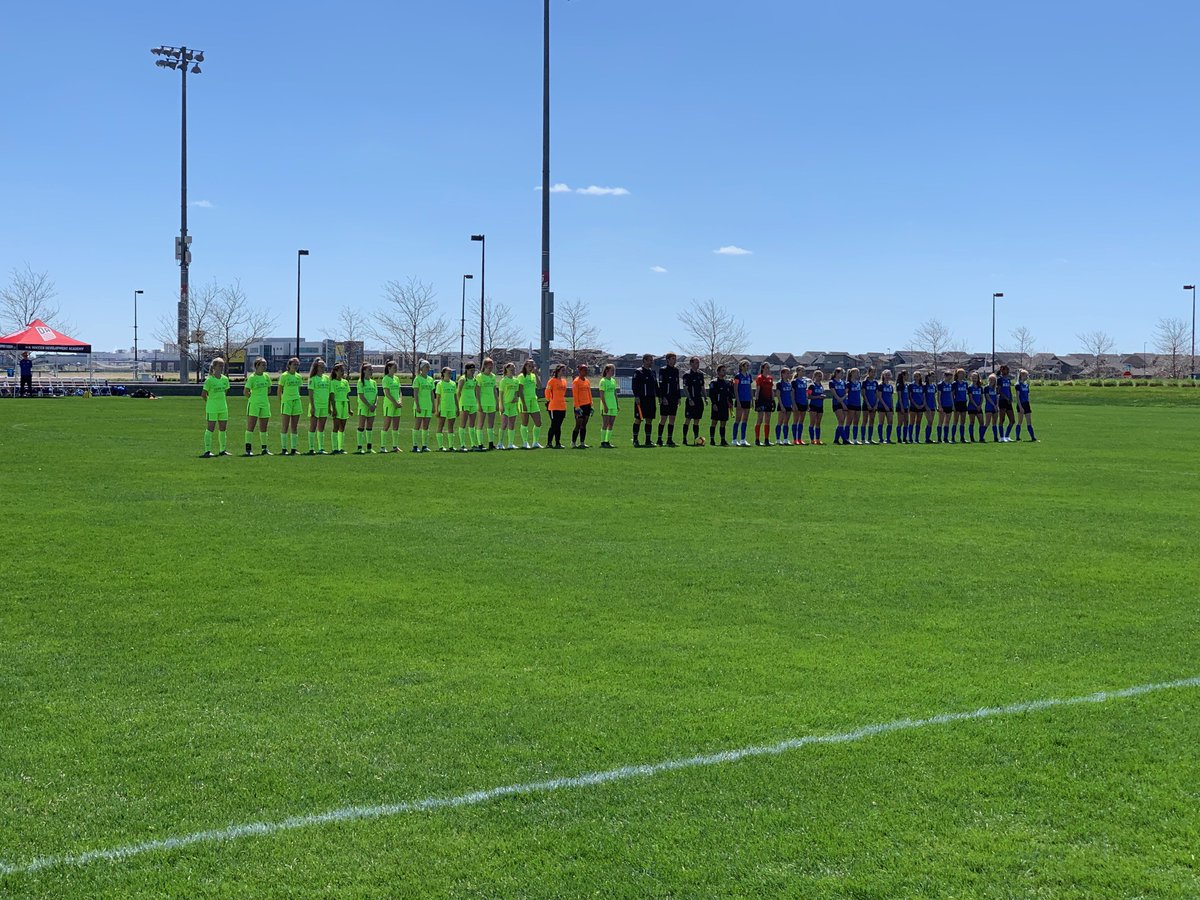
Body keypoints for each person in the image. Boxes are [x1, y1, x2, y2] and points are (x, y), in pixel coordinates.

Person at [200, 357, 230, 457]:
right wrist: (210, 403)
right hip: (212, 407)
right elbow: (204, 394)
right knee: (210, 428)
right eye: (219, 365)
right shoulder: (209, 380)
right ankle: (207, 450)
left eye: (222, 365)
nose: (221, 367)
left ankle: (222, 450)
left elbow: (225, 392)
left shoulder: (225, 379)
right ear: (214, 366)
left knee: (223, 429)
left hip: (223, 407)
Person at [243, 357, 273, 456]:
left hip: (264, 404)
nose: (265, 366)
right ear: (257, 366)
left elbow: (269, 390)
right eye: (263, 364)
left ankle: (264, 448)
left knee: (264, 427)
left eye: (265, 364)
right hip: (254, 404)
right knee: (251, 426)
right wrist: (253, 399)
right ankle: (248, 449)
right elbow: (246, 392)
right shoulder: (252, 377)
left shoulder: (266, 376)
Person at [278, 357, 303, 455]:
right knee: (285, 426)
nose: (296, 366)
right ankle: (284, 449)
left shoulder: (298, 377)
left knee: (294, 426)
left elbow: (299, 389)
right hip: (287, 402)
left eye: (297, 364)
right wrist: (281, 401)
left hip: (296, 401)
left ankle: (294, 448)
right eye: (294, 364)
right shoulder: (284, 376)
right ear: (289, 365)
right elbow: (279, 390)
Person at [631, 353, 657, 447]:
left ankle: (648, 440)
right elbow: (634, 386)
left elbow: (656, 386)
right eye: (650, 360)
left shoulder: (652, 372)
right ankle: (635, 440)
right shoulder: (638, 372)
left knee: (649, 420)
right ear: (645, 360)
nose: (651, 362)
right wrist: (636, 396)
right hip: (641, 400)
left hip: (651, 399)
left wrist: (660, 397)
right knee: (638, 419)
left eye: (652, 360)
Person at [306, 357, 331, 454]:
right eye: (320, 366)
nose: (322, 368)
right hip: (316, 405)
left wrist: (329, 407)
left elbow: (329, 394)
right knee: (313, 426)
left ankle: (321, 448)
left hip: (324, 406)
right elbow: (311, 394)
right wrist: (312, 406)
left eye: (323, 366)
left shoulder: (327, 378)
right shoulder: (312, 379)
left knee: (322, 427)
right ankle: (311, 448)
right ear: (316, 367)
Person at [517, 359, 543, 449]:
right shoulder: (521, 376)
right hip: (525, 401)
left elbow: (539, 386)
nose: (531, 368)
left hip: (533, 400)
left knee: (538, 422)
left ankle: (535, 442)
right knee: (525, 422)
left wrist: (536, 374)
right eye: (529, 366)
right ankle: (525, 442)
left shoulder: (533, 376)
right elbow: (520, 391)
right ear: (525, 366)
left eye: (533, 366)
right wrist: (523, 403)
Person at [657, 352, 681, 446]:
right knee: (663, 418)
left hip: (674, 398)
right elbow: (661, 385)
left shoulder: (676, 370)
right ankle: (659, 439)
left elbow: (677, 384)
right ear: (668, 360)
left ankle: (669, 439)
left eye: (675, 359)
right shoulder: (663, 370)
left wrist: (678, 397)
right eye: (672, 359)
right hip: (665, 398)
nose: (674, 360)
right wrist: (663, 397)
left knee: (672, 418)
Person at [456, 361, 481, 452]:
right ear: (466, 370)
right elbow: (458, 392)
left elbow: (477, 392)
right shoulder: (462, 379)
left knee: (472, 424)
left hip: (473, 403)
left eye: (474, 370)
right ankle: (462, 444)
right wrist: (459, 404)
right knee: (463, 424)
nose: (472, 372)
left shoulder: (475, 380)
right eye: (471, 370)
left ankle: (474, 444)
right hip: (464, 403)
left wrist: (478, 403)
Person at [380, 360, 404, 453]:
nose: (396, 369)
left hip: (397, 405)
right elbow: (387, 393)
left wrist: (400, 401)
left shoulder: (396, 379)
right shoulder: (385, 379)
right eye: (394, 367)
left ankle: (395, 446)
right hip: (389, 405)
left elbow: (399, 391)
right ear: (389, 368)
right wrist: (394, 402)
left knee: (396, 426)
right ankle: (382, 447)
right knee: (386, 425)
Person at [681, 356, 706, 445]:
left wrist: (705, 397)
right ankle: (684, 438)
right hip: (691, 400)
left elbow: (702, 387)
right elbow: (685, 388)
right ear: (691, 363)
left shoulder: (700, 374)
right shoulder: (687, 375)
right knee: (688, 419)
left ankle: (696, 439)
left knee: (697, 420)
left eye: (698, 363)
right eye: (695, 362)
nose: (697, 364)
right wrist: (690, 399)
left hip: (699, 400)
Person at [412, 359, 435, 453]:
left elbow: (432, 394)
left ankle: (424, 445)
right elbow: (416, 394)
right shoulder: (417, 379)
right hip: (420, 406)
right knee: (417, 426)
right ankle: (415, 446)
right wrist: (417, 405)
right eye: (426, 367)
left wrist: (433, 405)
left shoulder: (430, 379)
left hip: (428, 406)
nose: (428, 368)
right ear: (421, 368)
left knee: (426, 426)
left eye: (429, 367)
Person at [355, 363, 379, 453]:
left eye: (372, 369)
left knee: (370, 427)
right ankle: (359, 447)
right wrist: (369, 405)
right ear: (364, 370)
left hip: (372, 407)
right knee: (361, 427)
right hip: (364, 407)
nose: (371, 371)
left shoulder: (374, 382)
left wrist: (375, 404)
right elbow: (361, 396)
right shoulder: (361, 382)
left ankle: (369, 447)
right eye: (370, 369)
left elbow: (377, 395)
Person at [707, 364, 733, 446]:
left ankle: (722, 440)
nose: (724, 372)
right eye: (723, 370)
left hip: (724, 405)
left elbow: (729, 394)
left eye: (725, 370)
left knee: (723, 423)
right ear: (718, 372)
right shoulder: (714, 382)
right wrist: (714, 403)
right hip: (717, 405)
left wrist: (730, 403)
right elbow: (711, 394)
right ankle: (712, 440)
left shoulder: (727, 383)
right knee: (714, 422)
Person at [329, 363, 352, 454]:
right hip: (337, 404)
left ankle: (341, 447)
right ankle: (335, 448)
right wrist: (333, 409)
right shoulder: (333, 382)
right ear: (335, 371)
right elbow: (332, 397)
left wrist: (349, 409)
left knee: (342, 427)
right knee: (336, 427)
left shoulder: (345, 382)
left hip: (344, 404)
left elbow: (347, 396)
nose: (342, 372)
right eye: (341, 370)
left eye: (343, 370)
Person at [545, 363, 568, 449]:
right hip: (554, 407)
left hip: (562, 406)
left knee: (559, 425)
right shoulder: (552, 381)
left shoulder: (564, 381)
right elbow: (547, 392)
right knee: (554, 425)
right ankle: (549, 442)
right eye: (562, 370)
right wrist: (549, 400)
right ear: (558, 371)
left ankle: (558, 442)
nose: (563, 372)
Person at [435, 366, 458, 450]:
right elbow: (437, 398)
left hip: (451, 408)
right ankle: (441, 446)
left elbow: (455, 397)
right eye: (448, 372)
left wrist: (457, 408)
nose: (449, 374)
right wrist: (437, 410)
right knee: (440, 426)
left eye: (450, 373)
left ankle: (451, 446)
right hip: (443, 408)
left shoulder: (453, 384)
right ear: (443, 373)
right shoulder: (440, 384)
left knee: (451, 426)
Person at [571, 364, 593, 448]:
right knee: (578, 424)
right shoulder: (576, 381)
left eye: (587, 370)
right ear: (580, 371)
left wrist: (591, 405)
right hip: (579, 406)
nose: (586, 372)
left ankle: (582, 442)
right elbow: (575, 395)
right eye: (584, 370)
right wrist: (577, 407)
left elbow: (589, 393)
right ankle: (573, 442)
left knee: (584, 424)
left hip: (587, 405)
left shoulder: (587, 381)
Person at [732, 359, 754, 446]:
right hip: (740, 400)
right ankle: (734, 439)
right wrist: (738, 401)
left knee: (745, 420)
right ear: (742, 366)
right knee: (737, 420)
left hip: (747, 400)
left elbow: (750, 388)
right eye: (747, 365)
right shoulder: (738, 376)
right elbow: (735, 389)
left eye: (749, 366)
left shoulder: (749, 376)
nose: (748, 367)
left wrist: (752, 400)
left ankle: (743, 439)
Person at [478, 357, 499, 450]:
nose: (491, 367)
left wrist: (497, 402)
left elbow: (495, 390)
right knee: (481, 423)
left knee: (491, 424)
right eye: (490, 365)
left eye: (492, 365)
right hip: (483, 402)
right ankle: (480, 443)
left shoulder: (493, 376)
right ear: (485, 365)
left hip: (491, 402)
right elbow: (477, 392)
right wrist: (478, 404)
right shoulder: (479, 376)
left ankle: (491, 443)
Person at [499, 362, 520, 450]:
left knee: (512, 424)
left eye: (514, 368)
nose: (513, 369)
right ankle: (500, 443)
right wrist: (501, 405)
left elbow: (516, 392)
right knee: (504, 424)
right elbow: (500, 394)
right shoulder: (503, 380)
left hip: (513, 405)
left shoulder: (516, 380)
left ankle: (510, 443)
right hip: (505, 405)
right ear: (506, 369)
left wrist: (516, 398)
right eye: (511, 368)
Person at [598, 363, 619, 449]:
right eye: (612, 370)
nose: (613, 372)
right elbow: (602, 395)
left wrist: (617, 404)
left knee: (611, 424)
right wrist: (605, 406)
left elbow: (615, 394)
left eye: (614, 370)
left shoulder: (613, 381)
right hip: (606, 405)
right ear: (607, 371)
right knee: (605, 423)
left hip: (613, 405)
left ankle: (607, 441)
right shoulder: (603, 381)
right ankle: (603, 441)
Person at [753, 362, 775, 446]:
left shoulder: (770, 378)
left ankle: (766, 439)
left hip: (768, 400)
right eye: (766, 367)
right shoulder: (759, 378)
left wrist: (773, 400)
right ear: (762, 368)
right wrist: (756, 400)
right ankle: (757, 439)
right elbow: (757, 389)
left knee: (767, 420)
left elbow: (771, 390)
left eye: (769, 368)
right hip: (761, 400)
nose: (768, 369)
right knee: (760, 419)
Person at [1016, 369, 1038, 441]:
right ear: (1022, 375)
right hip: (1021, 404)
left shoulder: (1026, 385)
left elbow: (1027, 395)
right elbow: (1018, 397)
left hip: (1026, 404)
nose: (1027, 377)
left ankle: (1033, 437)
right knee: (1020, 421)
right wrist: (1020, 407)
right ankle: (1017, 437)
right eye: (1026, 375)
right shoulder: (1018, 385)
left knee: (1029, 422)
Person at [997, 364, 1016, 440]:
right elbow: (999, 390)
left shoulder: (1008, 379)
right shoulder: (999, 379)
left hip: (1008, 401)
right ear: (1002, 370)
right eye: (1006, 369)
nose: (1008, 371)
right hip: (1002, 401)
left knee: (1012, 420)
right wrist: (1005, 398)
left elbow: (1009, 389)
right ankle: (1001, 437)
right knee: (1002, 419)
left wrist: (1010, 398)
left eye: (1008, 369)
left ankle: (1007, 436)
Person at [828, 367, 847, 444]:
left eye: (843, 373)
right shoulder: (832, 382)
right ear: (836, 373)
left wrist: (844, 400)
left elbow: (846, 393)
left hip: (844, 402)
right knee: (841, 420)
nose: (842, 375)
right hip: (837, 403)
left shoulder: (843, 382)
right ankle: (845, 439)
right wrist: (842, 402)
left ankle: (836, 440)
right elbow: (835, 395)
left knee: (841, 422)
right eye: (841, 373)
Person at [845, 367, 863, 445]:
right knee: (849, 422)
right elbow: (846, 394)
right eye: (856, 373)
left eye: (858, 373)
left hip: (858, 404)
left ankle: (855, 439)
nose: (858, 374)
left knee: (856, 422)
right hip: (851, 404)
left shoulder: (859, 383)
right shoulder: (848, 384)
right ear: (852, 373)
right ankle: (847, 438)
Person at [775, 367, 793, 445]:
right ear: (782, 374)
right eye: (787, 373)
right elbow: (778, 395)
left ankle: (785, 439)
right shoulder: (779, 383)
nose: (788, 374)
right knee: (780, 422)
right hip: (782, 405)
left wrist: (792, 404)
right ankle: (778, 439)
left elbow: (791, 394)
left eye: (789, 373)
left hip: (789, 404)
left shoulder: (789, 383)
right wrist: (781, 405)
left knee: (786, 422)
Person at [807, 370, 825, 444]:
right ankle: (812, 439)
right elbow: (808, 396)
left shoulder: (821, 386)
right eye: (818, 376)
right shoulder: (812, 386)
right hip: (813, 406)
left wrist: (823, 397)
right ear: (815, 376)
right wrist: (818, 397)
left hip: (820, 406)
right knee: (812, 423)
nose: (820, 378)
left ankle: (817, 439)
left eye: (821, 376)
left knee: (818, 423)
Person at [792, 366, 809, 445]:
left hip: (804, 403)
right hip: (797, 402)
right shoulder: (794, 382)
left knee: (801, 422)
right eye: (801, 371)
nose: (803, 372)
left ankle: (799, 438)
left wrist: (807, 403)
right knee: (795, 421)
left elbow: (806, 393)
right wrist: (794, 403)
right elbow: (792, 393)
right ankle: (794, 439)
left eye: (804, 371)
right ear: (798, 372)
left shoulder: (805, 381)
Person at [951, 368, 969, 444]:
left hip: (963, 403)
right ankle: (952, 438)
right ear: (957, 374)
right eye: (961, 373)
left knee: (963, 421)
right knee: (955, 421)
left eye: (963, 373)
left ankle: (962, 438)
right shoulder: (954, 383)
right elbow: (952, 395)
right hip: (957, 403)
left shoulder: (965, 383)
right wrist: (953, 405)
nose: (962, 375)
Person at [862, 366, 879, 444]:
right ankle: (863, 439)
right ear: (868, 373)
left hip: (874, 404)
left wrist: (876, 405)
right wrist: (868, 404)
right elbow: (863, 394)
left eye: (874, 372)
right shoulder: (864, 382)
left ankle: (869, 438)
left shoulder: (875, 383)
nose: (873, 373)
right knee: (865, 421)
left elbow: (877, 394)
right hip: (866, 404)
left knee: (871, 421)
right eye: (872, 372)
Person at [878, 369, 895, 443]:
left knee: (890, 422)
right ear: (883, 375)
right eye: (886, 375)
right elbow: (879, 397)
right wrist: (885, 406)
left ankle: (888, 438)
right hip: (882, 406)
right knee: (881, 422)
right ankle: (881, 438)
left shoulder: (891, 386)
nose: (888, 376)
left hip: (889, 406)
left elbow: (891, 397)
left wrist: (892, 407)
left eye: (889, 375)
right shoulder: (881, 385)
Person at [937, 370, 954, 443]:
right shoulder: (940, 384)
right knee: (940, 422)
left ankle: (945, 438)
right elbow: (938, 396)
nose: (951, 378)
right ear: (946, 376)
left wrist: (953, 404)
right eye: (950, 376)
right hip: (943, 405)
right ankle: (939, 438)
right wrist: (940, 406)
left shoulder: (950, 384)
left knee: (947, 422)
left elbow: (951, 395)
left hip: (949, 405)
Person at [908, 371, 925, 443]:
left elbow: (924, 396)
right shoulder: (911, 385)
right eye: (914, 376)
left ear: (920, 377)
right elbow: (910, 396)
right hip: (913, 406)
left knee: (918, 422)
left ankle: (917, 438)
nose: (916, 378)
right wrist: (915, 404)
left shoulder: (922, 386)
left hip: (921, 406)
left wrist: (923, 404)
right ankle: (910, 438)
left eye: (917, 376)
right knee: (912, 421)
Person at [967, 372, 985, 442]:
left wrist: (980, 405)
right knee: (972, 422)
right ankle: (972, 438)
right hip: (972, 407)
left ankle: (981, 437)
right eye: (973, 377)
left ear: (978, 378)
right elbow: (970, 398)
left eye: (976, 378)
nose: (974, 379)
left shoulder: (980, 387)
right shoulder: (970, 387)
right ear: (971, 378)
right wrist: (976, 406)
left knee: (981, 422)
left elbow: (982, 397)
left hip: (979, 407)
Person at [923, 370, 938, 444]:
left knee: (931, 422)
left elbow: (934, 397)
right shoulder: (925, 386)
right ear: (928, 377)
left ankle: (928, 438)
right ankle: (926, 438)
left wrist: (936, 405)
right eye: (932, 377)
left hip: (932, 406)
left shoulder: (934, 386)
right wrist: (926, 406)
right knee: (929, 421)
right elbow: (924, 397)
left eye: (934, 377)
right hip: (927, 406)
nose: (933, 378)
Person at [896, 370, 911, 442]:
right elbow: (899, 397)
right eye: (907, 375)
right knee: (900, 422)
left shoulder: (906, 385)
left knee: (906, 421)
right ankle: (899, 438)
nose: (908, 376)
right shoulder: (899, 385)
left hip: (906, 406)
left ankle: (905, 438)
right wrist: (901, 406)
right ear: (903, 375)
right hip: (900, 406)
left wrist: (908, 406)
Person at [985, 373, 1000, 442]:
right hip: (989, 406)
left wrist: (997, 405)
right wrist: (993, 405)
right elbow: (988, 397)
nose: (992, 381)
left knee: (994, 423)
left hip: (995, 407)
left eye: (993, 380)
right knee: (987, 422)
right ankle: (981, 436)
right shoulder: (986, 388)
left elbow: (997, 397)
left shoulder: (996, 388)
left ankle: (995, 437)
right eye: (991, 380)